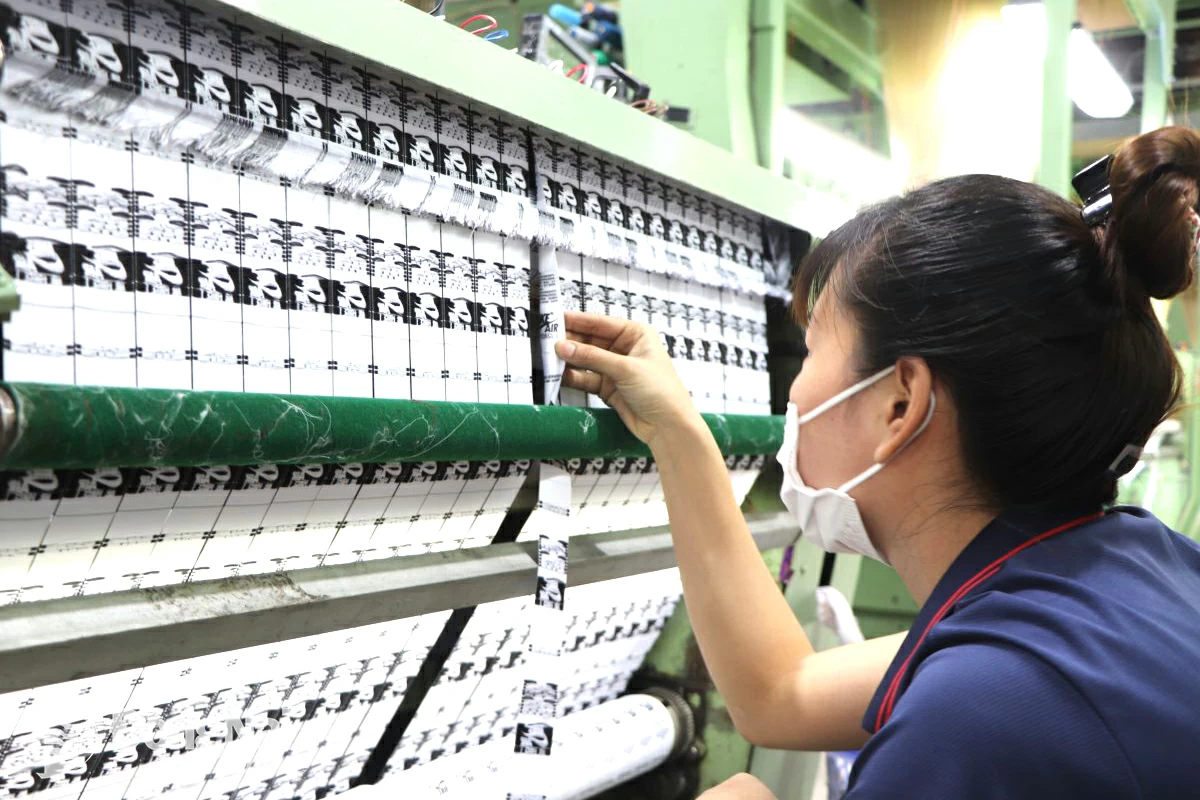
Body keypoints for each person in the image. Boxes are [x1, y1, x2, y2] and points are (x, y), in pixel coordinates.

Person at [553, 126, 1200, 798]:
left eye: (811, 353)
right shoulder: (1129, 566)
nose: (796, 393)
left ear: (900, 404)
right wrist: (679, 436)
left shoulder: (977, 714)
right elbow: (781, 693)